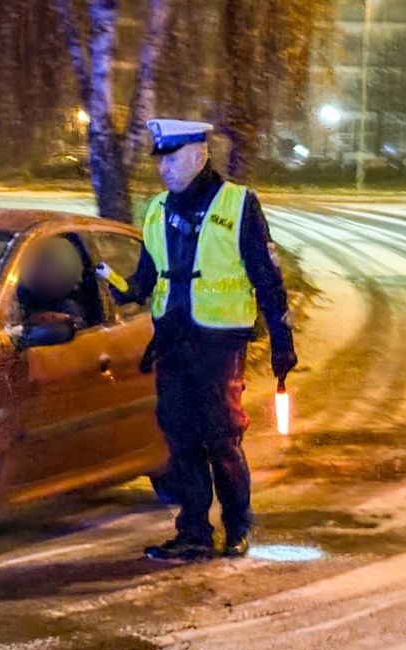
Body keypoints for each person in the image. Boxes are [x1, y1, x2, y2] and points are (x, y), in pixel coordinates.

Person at [106, 119, 297, 562]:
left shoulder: (238, 204)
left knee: (221, 435)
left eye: (171, 159)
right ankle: (193, 529)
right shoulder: (156, 209)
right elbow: (149, 273)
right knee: (180, 437)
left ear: (198, 155)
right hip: (173, 340)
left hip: (218, 343)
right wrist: (129, 290)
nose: (163, 169)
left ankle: (237, 525)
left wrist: (282, 339)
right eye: (161, 161)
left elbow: (267, 277)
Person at [13, 236, 87, 346]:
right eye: (35, 265)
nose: (37, 272)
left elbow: (60, 332)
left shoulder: (67, 309)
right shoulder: (18, 292)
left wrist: (18, 335)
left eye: (45, 266)